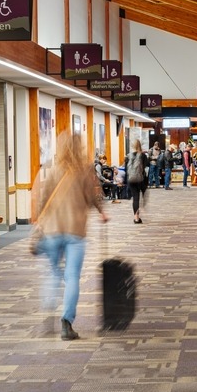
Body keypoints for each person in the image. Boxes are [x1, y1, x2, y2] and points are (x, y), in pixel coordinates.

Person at [33, 130, 108, 341]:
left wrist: (40, 219)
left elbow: (43, 199)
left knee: (53, 272)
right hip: (76, 231)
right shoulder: (84, 171)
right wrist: (102, 212)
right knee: (72, 277)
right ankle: (66, 322)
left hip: (52, 230)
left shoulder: (54, 170)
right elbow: (93, 196)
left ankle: (48, 311)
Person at [125, 139, 149, 224]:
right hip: (140, 179)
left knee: (135, 198)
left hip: (131, 180)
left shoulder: (128, 156)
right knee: (143, 194)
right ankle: (143, 207)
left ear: (132, 146)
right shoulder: (143, 156)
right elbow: (146, 167)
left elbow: (126, 169)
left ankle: (136, 218)